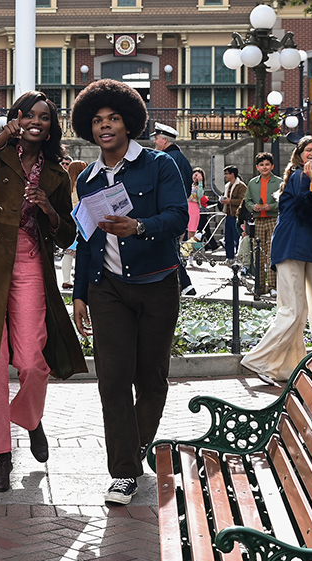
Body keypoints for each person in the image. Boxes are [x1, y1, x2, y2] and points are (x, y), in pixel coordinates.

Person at [0, 91, 86, 493]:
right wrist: (4, 134)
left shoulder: (57, 173)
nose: (37, 121)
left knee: (32, 362)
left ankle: (30, 418)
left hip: (28, 263)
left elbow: (67, 235)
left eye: (45, 116)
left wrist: (50, 210)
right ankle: (1, 457)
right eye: (29, 114)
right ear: (18, 117)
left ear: (52, 126)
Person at [68, 79, 189, 505]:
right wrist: (79, 293)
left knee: (151, 379)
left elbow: (178, 218)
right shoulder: (87, 178)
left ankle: (134, 448)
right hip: (108, 289)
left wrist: (139, 226)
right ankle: (122, 472)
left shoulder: (159, 166)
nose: (105, 127)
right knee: (113, 380)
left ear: (129, 123)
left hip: (157, 282)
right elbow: (86, 238)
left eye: (113, 119)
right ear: (89, 128)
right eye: (98, 121)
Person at [240, 136, 312, 386]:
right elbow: (306, 206)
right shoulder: (301, 176)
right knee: (293, 310)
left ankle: (287, 367)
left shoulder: (301, 176)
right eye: (308, 149)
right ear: (299, 154)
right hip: (292, 245)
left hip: (297, 246)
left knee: (299, 311)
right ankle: (259, 360)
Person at [148, 123, 196, 295]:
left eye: (157, 139)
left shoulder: (167, 159)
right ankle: (183, 285)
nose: (154, 142)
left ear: (165, 140)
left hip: (167, 212)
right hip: (176, 212)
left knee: (169, 250)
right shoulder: (179, 158)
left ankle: (185, 285)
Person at [244, 152, 282, 294]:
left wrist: (271, 206)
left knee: (273, 252)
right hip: (258, 220)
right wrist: (252, 207)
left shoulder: (279, 182)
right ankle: (259, 286)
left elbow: (283, 199)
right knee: (257, 254)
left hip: (274, 219)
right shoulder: (252, 183)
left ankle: (273, 286)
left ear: (272, 166)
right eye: (261, 165)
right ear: (257, 167)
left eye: (267, 164)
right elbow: (247, 200)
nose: (264, 167)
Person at [59, 157, 88, 290]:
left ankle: (66, 279)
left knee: (68, 251)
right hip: (81, 220)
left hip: (68, 220)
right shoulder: (81, 185)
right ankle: (76, 276)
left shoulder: (65, 185)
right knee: (80, 251)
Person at [219, 166, 247, 261]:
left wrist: (230, 201)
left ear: (232, 174)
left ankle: (239, 257)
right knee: (228, 239)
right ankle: (229, 257)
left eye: (227, 173)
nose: (225, 176)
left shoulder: (241, 186)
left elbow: (243, 201)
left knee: (237, 238)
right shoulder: (227, 186)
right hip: (228, 215)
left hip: (237, 216)